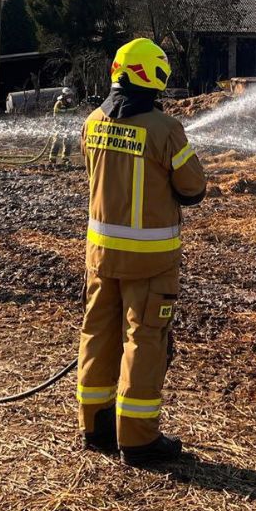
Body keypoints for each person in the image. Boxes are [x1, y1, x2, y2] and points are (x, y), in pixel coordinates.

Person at [76, 38, 207, 466]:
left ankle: (94, 426)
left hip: (100, 258)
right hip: (150, 263)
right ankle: (137, 438)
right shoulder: (164, 130)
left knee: (97, 333)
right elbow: (193, 189)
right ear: (155, 77)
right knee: (145, 341)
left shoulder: (93, 122)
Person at [48, 87, 79, 166]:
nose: (69, 98)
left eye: (70, 96)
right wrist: (62, 124)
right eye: (68, 96)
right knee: (57, 141)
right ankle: (52, 158)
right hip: (59, 125)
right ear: (64, 96)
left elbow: (76, 114)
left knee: (68, 141)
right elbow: (56, 117)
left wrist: (74, 122)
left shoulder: (72, 103)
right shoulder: (58, 104)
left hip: (69, 126)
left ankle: (65, 159)